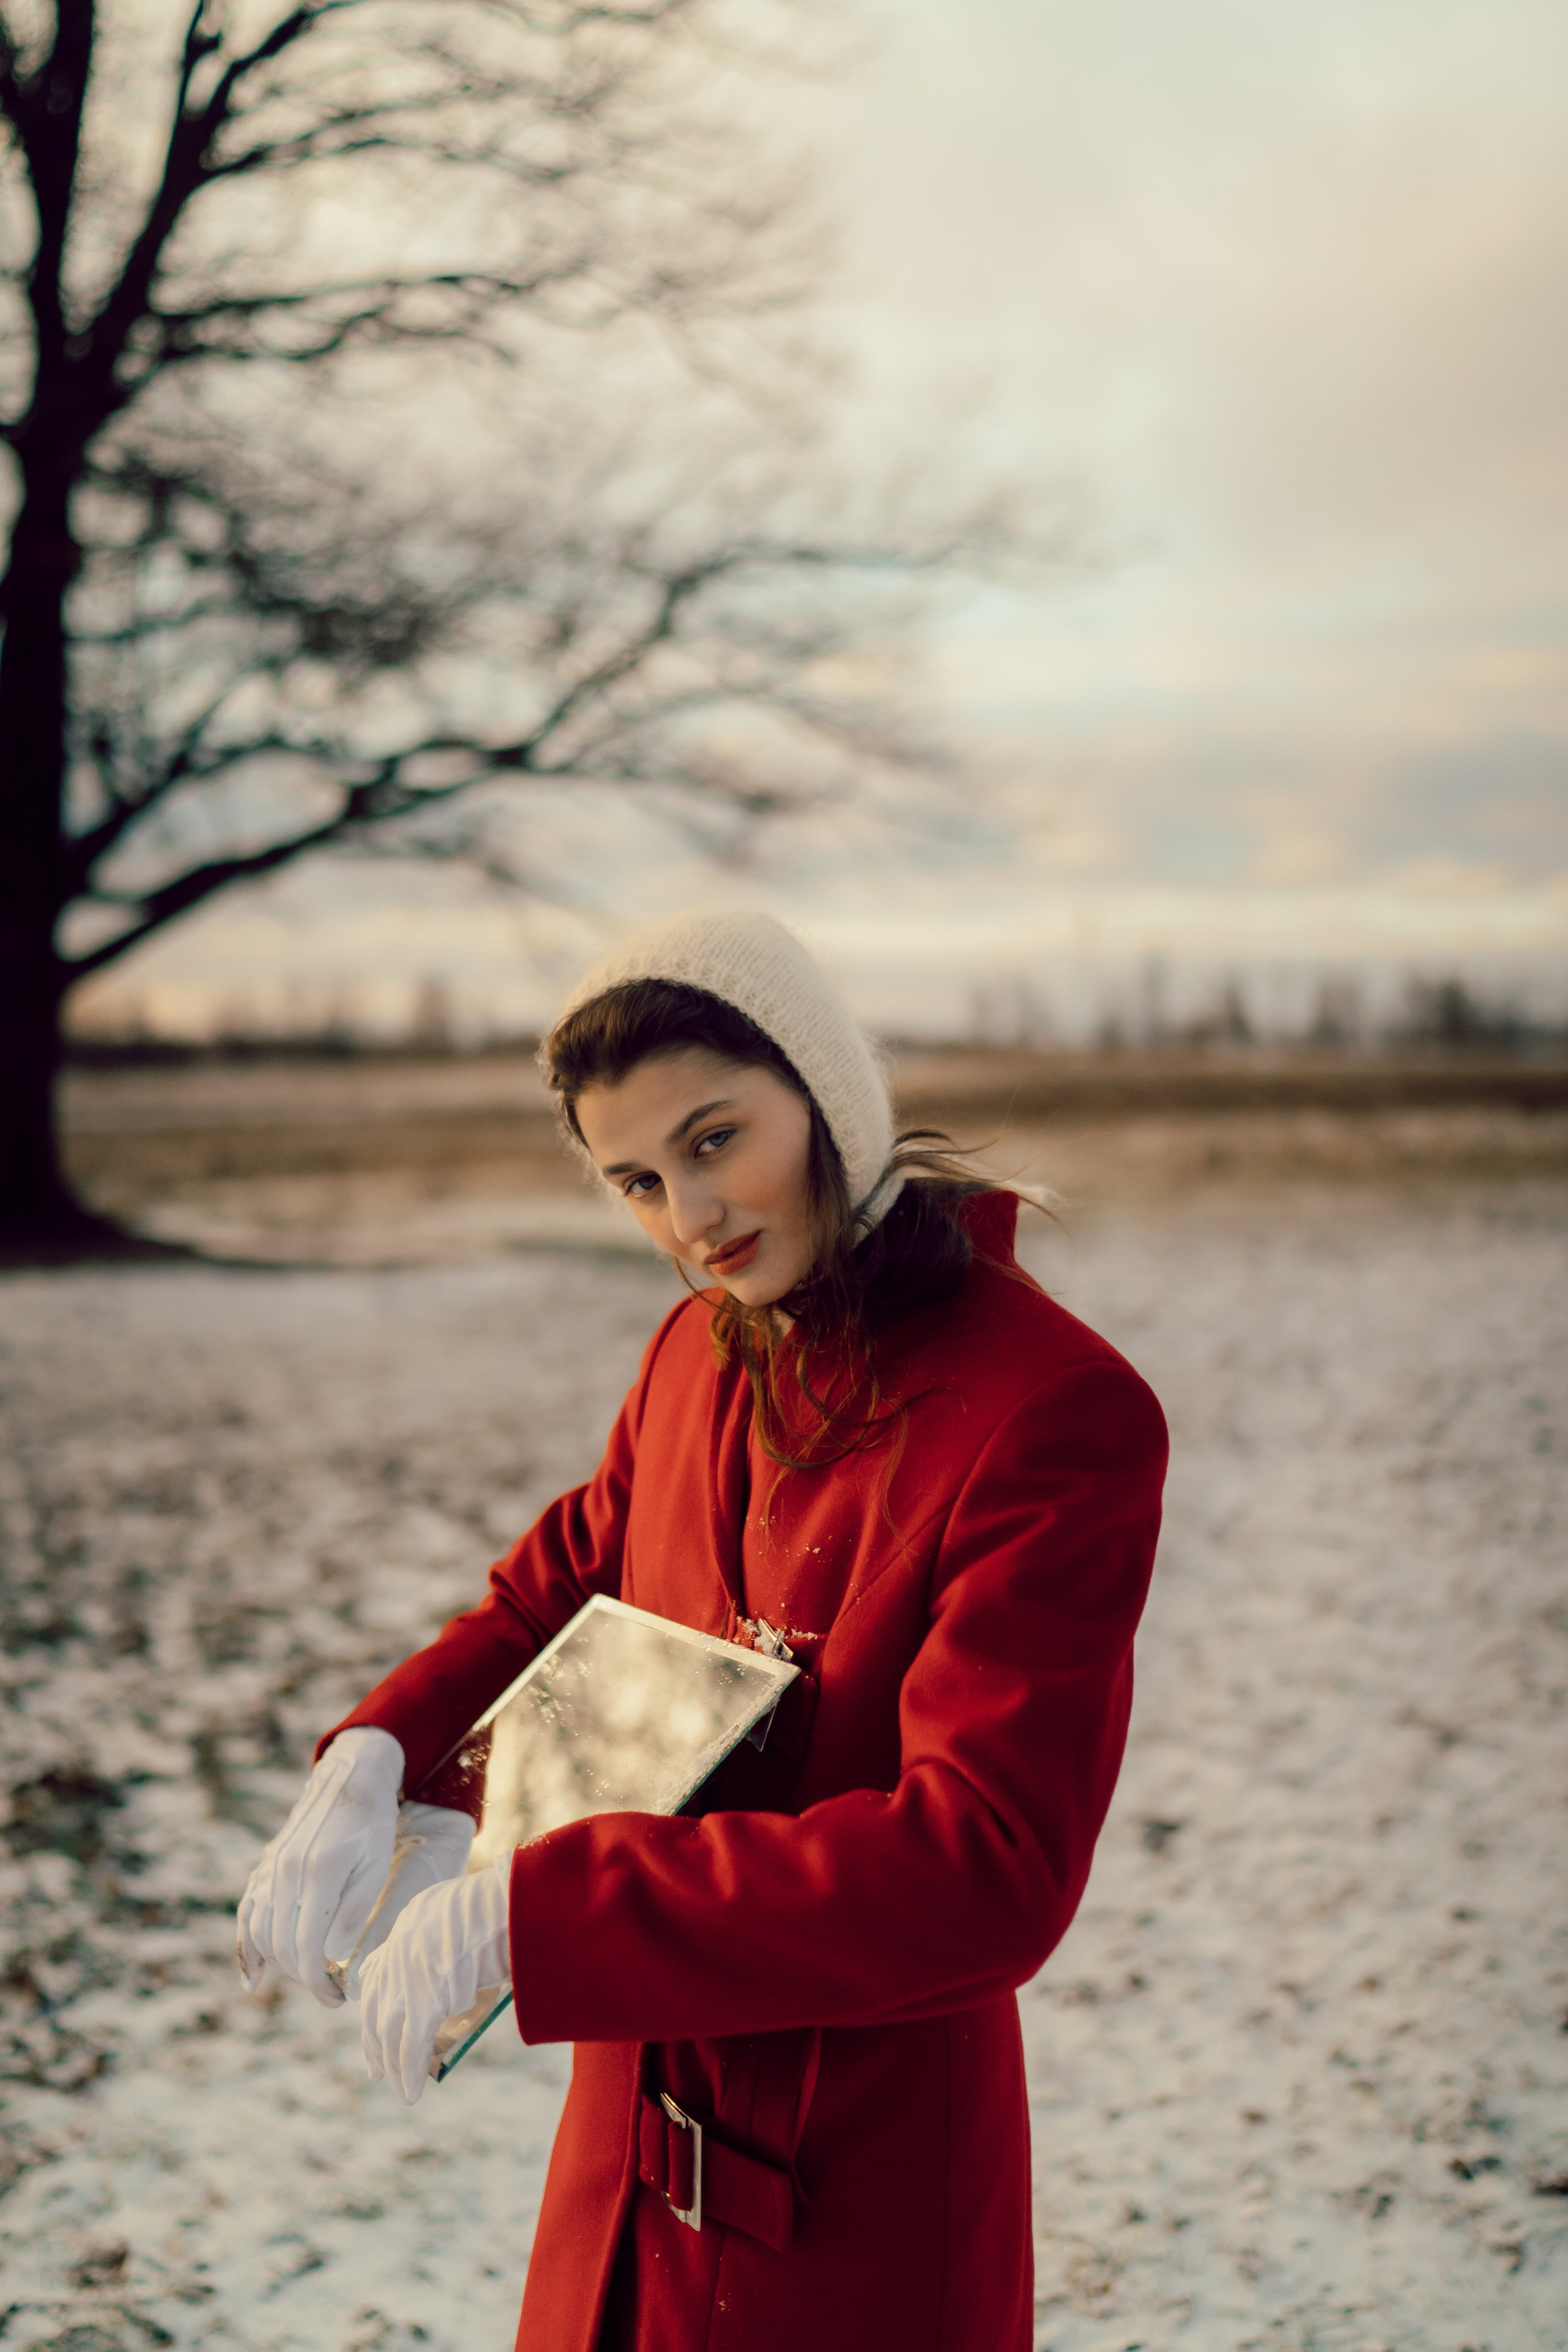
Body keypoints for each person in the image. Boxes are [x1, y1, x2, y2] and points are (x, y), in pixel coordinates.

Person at [236, 911, 1167, 2352]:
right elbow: (562, 1584)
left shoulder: (1046, 1411)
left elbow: (985, 1867)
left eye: (715, 1140)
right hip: (615, 2201)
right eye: (636, 1181)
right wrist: (379, 1752)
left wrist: (545, 1914)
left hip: (850, 2213)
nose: (689, 1219)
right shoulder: (695, 1349)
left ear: (823, 1094)